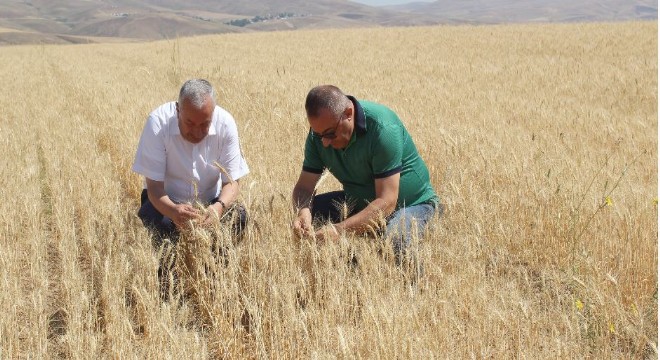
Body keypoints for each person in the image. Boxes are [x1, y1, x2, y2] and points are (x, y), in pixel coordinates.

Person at [292, 85, 441, 266]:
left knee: (396, 239)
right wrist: (303, 213)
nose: (324, 142)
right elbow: (304, 187)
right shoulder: (320, 135)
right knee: (305, 221)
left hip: (411, 204)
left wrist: (339, 230)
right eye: (318, 134)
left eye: (330, 134)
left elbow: (387, 202)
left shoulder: (383, 128)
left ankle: (414, 291)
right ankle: (349, 273)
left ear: (348, 113)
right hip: (359, 201)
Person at [132, 79, 249, 244]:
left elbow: (232, 182)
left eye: (204, 124)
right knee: (156, 224)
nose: (196, 132)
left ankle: (215, 268)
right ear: (177, 110)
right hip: (164, 202)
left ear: (213, 113)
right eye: (190, 123)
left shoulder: (226, 124)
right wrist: (173, 211)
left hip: (211, 202)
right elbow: (154, 189)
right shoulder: (157, 123)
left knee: (239, 217)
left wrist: (218, 207)